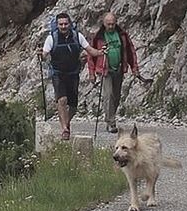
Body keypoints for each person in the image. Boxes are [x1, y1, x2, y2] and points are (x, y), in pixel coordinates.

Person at [39, 12, 105, 140]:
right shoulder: (52, 38)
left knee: (74, 106)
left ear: (69, 24)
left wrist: (101, 52)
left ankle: (66, 124)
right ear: (57, 25)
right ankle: (64, 129)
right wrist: (41, 55)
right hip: (58, 73)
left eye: (65, 24)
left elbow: (90, 50)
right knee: (62, 100)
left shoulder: (77, 36)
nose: (63, 26)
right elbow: (45, 54)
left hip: (73, 73)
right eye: (61, 24)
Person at [87, 12, 143, 134]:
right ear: (104, 23)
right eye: (108, 24)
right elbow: (91, 55)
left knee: (116, 97)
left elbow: (130, 51)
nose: (111, 26)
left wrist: (134, 68)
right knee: (108, 95)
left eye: (113, 24)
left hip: (118, 69)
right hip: (104, 70)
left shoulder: (122, 35)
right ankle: (110, 122)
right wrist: (91, 73)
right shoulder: (98, 37)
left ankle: (110, 116)